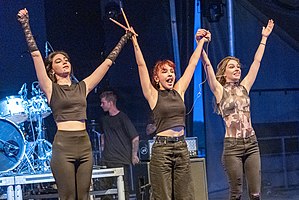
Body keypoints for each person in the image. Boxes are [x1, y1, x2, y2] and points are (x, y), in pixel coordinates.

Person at [17, 8, 132, 200]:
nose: (64, 63)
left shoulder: (83, 87)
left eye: (66, 60)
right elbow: (37, 56)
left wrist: (124, 38)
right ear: (52, 70)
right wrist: (26, 25)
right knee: (69, 196)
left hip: (84, 145)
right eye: (59, 61)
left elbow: (106, 64)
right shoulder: (50, 88)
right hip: (64, 145)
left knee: (84, 196)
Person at [130, 27, 210, 199]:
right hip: (162, 150)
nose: (170, 74)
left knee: (185, 195)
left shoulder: (179, 90)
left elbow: (192, 64)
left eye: (172, 71)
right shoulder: (153, 95)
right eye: (165, 71)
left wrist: (201, 42)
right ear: (157, 77)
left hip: (181, 147)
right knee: (163, 196)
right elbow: (141, 66)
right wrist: (135, 42)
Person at [201, 19, 274, 200]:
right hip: (232, 147)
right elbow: (207, 66)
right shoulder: (219, 90)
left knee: (255, 193)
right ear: (224, 72)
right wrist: (201, 44)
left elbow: (256, 62)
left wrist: (264, 38)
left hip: (251, 143)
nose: (237, 69)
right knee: (236, 193)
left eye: (238, 66)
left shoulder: (245, 87)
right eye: (231, 66)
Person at [99, 90, 139, 200]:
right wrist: (103, 147)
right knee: (104, 190)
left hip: (121, 159)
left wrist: (134, 155)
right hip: (107, 159)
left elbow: (135, 137)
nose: (101, 105)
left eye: (103, 103)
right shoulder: (104, 119)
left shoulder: (123, 118)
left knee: (123, 189)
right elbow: (103, 134)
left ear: (110, 103)